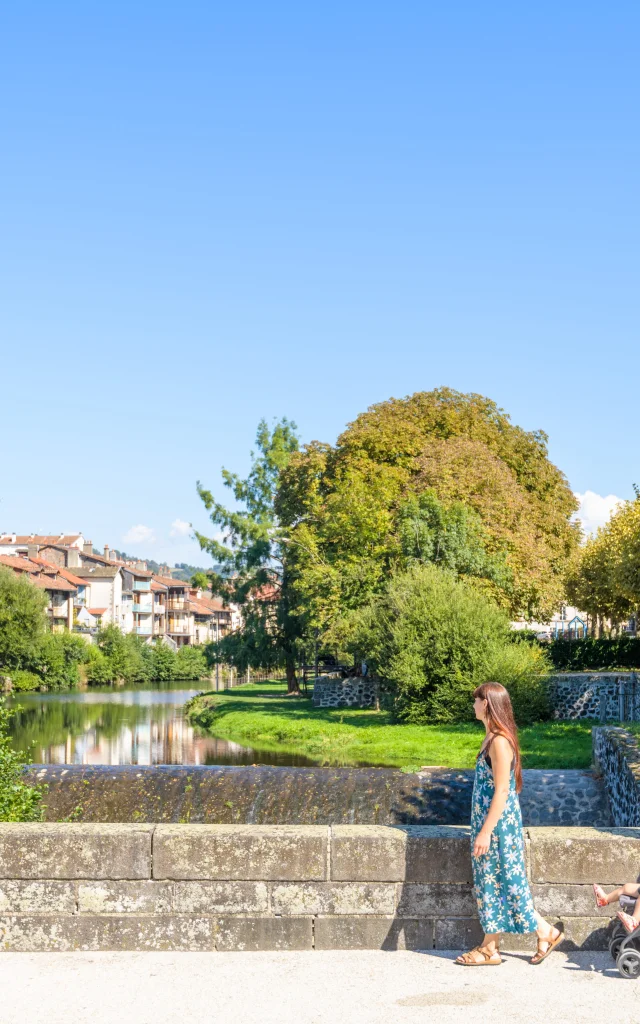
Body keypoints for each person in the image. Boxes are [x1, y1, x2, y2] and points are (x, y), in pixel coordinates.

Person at [455, 682, 564, 966]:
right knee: (494, 885)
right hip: (490, 825)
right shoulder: (490, 739)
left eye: (476, 700)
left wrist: (486, 831)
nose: (473, 705)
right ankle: (507, 942)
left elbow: (502, 790)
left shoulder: (500, 742)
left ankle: (530, 936)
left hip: (498, 828)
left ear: (487, 704)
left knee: (506, 884)